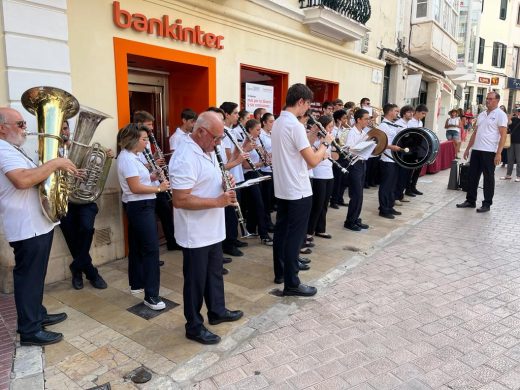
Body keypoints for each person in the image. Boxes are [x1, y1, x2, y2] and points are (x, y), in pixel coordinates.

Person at [0, 107, 75, 346]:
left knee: (36, 276)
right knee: (28, 278)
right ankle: (30, 330)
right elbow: (22, 180)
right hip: (26, 226)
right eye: (20, 124)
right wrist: (55, 163)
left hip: (37, 223)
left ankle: (38, 315)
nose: (26, 128)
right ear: (2, 128)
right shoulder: (2, 149)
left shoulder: (13, 149)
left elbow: (34, 177)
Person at [170, 111, 243, 345]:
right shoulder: (184, 157)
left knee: (214, 274)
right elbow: (180, 200)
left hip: (213, 227)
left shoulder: (209, 149)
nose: (219, 143)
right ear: (200, 131)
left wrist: (224, 182)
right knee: (195, 282)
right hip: (195, 233)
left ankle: (217, 311)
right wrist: (217, 202)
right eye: (216, 138)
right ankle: (193, 325)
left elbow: (209, 180)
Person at [271, 83, 333, 296]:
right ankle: (292, 283)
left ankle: (280, 272)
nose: (307, 110)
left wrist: (313, 136)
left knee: (281, 233)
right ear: (301, 102)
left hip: (283, 188)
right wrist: (325, 143)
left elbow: (296, 152)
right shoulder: (295, 125)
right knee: (295, 238)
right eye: (307, 105)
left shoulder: (279, 122)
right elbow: (313, 161)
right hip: (298, 189)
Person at [117, 123, 168, 310]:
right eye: (144, 139)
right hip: (140, 206)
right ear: (133, 140)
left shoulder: (134, 157)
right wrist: (159, 188)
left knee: (138, 247)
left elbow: (140, 181)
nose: (147, 143)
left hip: (142, 205)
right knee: (151, 250)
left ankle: (137, 283)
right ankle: (151, 295)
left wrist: (153, 176)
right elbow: (135, 188)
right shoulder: (127, 159)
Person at [134, 111, 179, 251]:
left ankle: (172, 242)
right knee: (150, 221)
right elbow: (136, 166)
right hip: (145, 187)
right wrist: (153, 163)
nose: (151, 128)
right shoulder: (134, 140)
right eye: (148, 124)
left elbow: (147, 160)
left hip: (155, 184)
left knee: (166, 214)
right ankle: (150, 250)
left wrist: (154, 158)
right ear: (139, 124)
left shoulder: (147, 140)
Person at [456, 92, 508, 212]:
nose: (487, 101)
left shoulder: (501, 115)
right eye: (487, 98)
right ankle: (470, 200)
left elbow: (503, 135)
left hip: (490, 151)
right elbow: (475, 132)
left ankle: (487, 204)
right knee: (472, 176)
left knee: (488, 177)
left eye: (490, 99)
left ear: (497, 100)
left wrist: (499, 153)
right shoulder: (482, 114)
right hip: (477, 149)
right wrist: (468, 148)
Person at [307, 115, 334, 239]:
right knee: (317, 205)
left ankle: (320, 229)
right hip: (318, 175)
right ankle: (309, 231)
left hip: (329, 173)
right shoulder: (316, 140)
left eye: (332, 126)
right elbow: (313, 157)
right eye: (329, 126)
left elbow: (334, 155)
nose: (331, 129)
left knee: (324, 204)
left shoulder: (329, 139)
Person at [343, 109, 370, 231]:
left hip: (363, 163)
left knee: (360, 194)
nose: (367, 121)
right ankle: (349, 221)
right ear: (358, 119)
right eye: (365, 118)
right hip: (354, 164)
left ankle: (355, 218)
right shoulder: (352, 132)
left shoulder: (363, 132)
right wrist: (361, 147)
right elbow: (349, 149)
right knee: (356, 194)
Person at [378, 104, 403, 219]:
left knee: (392, 185)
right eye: (395, 111)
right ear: (389, 112)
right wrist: (391, 147)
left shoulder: (393, 124)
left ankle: (390, 205)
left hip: (395, 159)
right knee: (386, 186)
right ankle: (384, 209)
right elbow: (379, 143)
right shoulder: (383, 126)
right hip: (387, 158)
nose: (397, 113)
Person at [404, 104, 429, 197]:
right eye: (422, 113)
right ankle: (407, 188)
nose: (424, 116)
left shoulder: (420, 122)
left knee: (418, 168)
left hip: (418, 148)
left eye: (425, 114)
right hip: (411, 148)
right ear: (417, 112)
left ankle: (413, 186)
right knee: (410, 169)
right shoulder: (410, 122)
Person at [500, 108, 520, 181]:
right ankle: (508, 175)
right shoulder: (514, 119)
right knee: (510, 159)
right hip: (511, 141)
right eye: (518, 112)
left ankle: (518, 176)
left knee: (519, 159)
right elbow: (508, 123)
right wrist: (511, 114)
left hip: (519, 143)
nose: (518, 113)